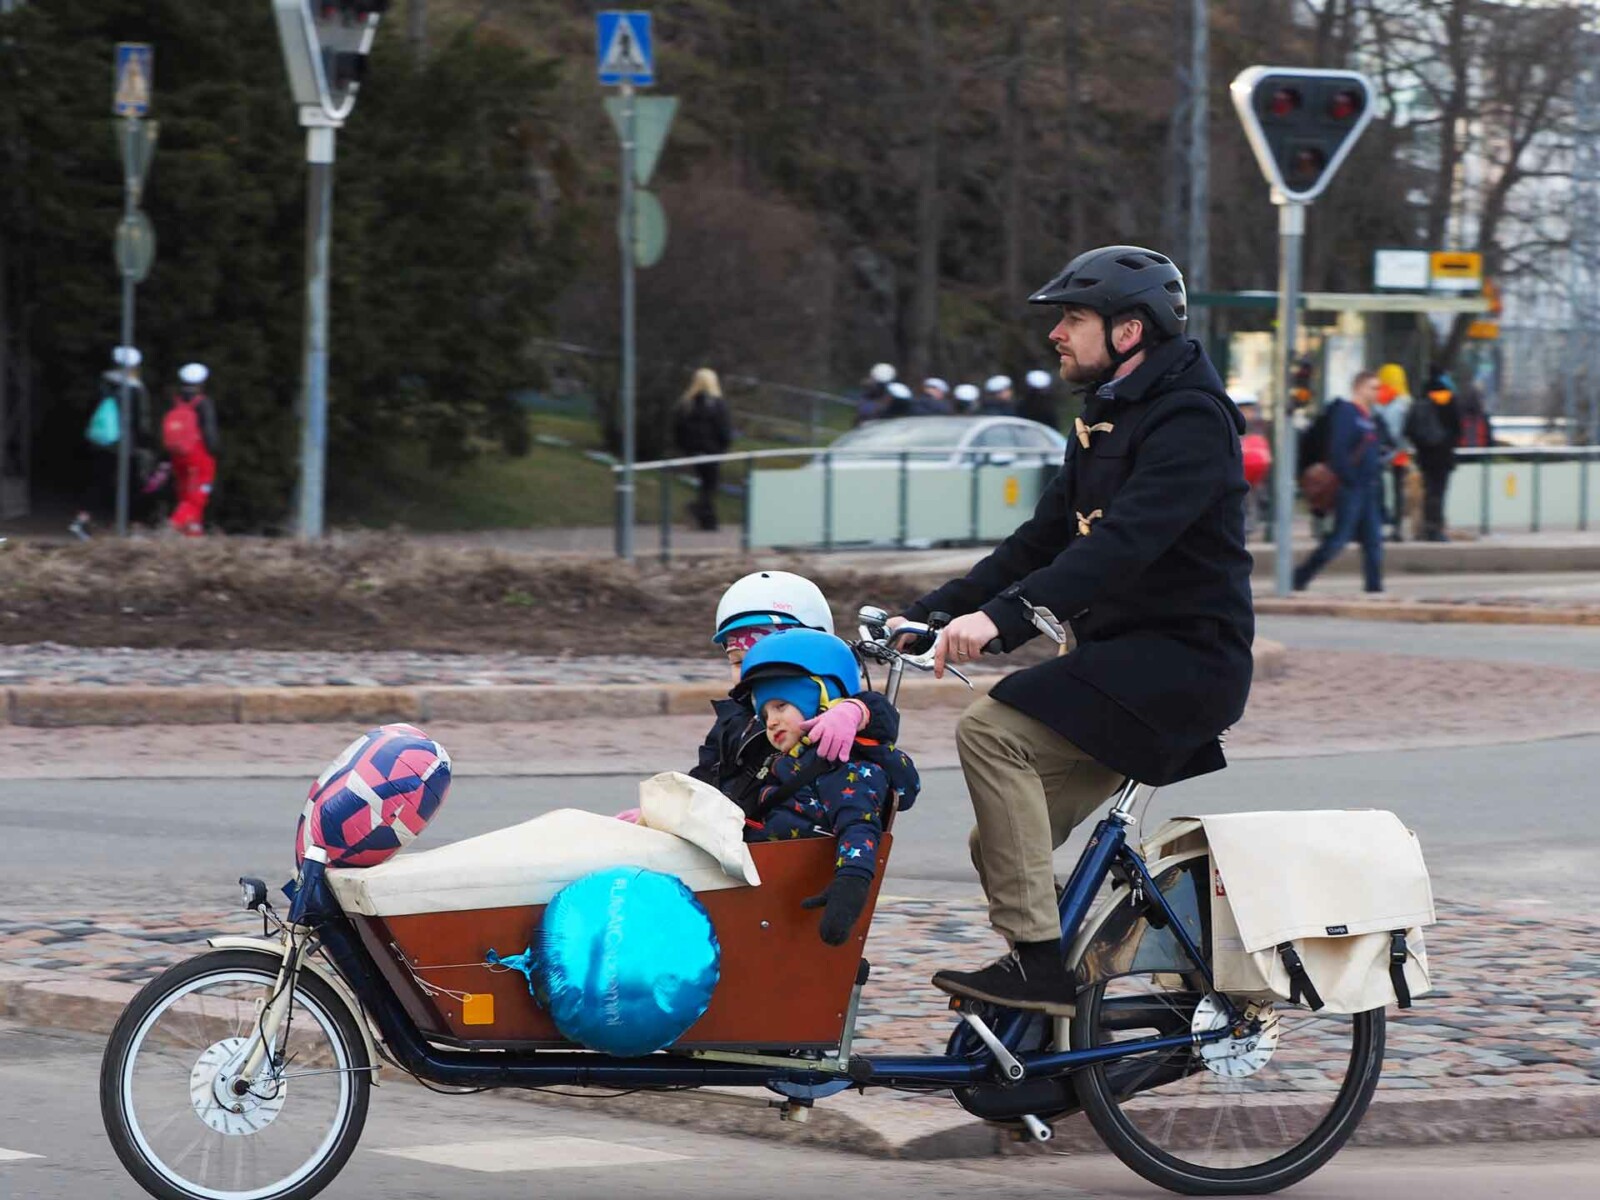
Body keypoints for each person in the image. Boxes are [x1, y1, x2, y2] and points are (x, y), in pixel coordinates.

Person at [890, 244, 1253, 1013]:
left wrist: (1008, 619)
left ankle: (1038, 969)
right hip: (1123, 664)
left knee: (992, 731)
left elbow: (1123, 545)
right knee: (1001, 845)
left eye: (1073, 318)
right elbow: (1042, 540)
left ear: (1130, 331)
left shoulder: (1191, 419)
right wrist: (933, 612)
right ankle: (1067, 1037)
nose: (1057, 333)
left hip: (1180, 666)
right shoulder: (1108, 413)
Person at [737, 629, 920, 946]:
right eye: (764, 713)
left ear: (823, 701)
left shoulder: (844, 766)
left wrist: (851, 883)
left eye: (781, 705)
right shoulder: (787, 763)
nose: (771, 721)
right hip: (759, 881)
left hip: (777, 897)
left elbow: (858, 825)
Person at [696, 571, 901, 817]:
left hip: (786, 838)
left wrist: (855, 711)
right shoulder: (732, 719)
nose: (748, 673)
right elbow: (706, 774)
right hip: (726, 829)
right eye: (738, 662)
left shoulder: (826, 710)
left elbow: (881, 717)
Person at [1291, 371, 1386, 593]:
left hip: (1369, 487)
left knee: (1373, 542)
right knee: (1338, 540)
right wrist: (1350, 479)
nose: (1377, 392)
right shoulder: (1347, 413)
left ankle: (1375, 588)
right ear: (1359, 388)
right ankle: (1299, 577)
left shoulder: (1369, 418)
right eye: (1373, 387)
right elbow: (1338, 451)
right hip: (1352, 488)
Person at [72, 346, 154, 540]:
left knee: (98, 480)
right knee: (134, 485)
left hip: (101, 439)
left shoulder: (103, 382)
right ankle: (134, 527)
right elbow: (141, 422)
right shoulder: (136, 388)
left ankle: (81, 520)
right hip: (127, 445)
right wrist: (146, 443)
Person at [163, 362, 221, 537]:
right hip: (198, 455)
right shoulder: (203, 403)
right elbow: (209, 433)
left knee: (184, 494)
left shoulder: (175, 401)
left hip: (177, 455)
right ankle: (173, 525)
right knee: (197, 497)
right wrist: (214, 451)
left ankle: (193, 535)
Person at [672, 367, 733, 531]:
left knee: (705, 483)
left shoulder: (687, 403)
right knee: (710, 484)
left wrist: (685, 448)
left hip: (694, 450)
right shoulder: (718, 404)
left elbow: (678, 429)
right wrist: (723, 446)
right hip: (712, 450)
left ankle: (708, 519)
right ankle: (701, 511)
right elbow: (724, 429)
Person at [1406, 371, 1461, 542]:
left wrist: (1421, 445)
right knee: (1437, 493)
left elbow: (1408, 430)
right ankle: (1434, 529)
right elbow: (1458, 429)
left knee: (1429, 493)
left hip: (1424, 457)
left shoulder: (1420, 404)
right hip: (1442, 457)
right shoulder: (1448, 400)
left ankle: (1425, 528)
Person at [1374, 363, 1413, 542]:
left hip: (1379, 452)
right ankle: (1397, 529)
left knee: (1379, 489)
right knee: (1398, 492)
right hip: (1400, 453)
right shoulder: (1405, 401)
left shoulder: (1376, 399)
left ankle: (1380, 525)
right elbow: (1407, 430)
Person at [1457, 383, 1494, 449]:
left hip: (1463, 450)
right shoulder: (1484, 417)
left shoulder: (1460, 416)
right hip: (1480, 450)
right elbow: (1489, 440)